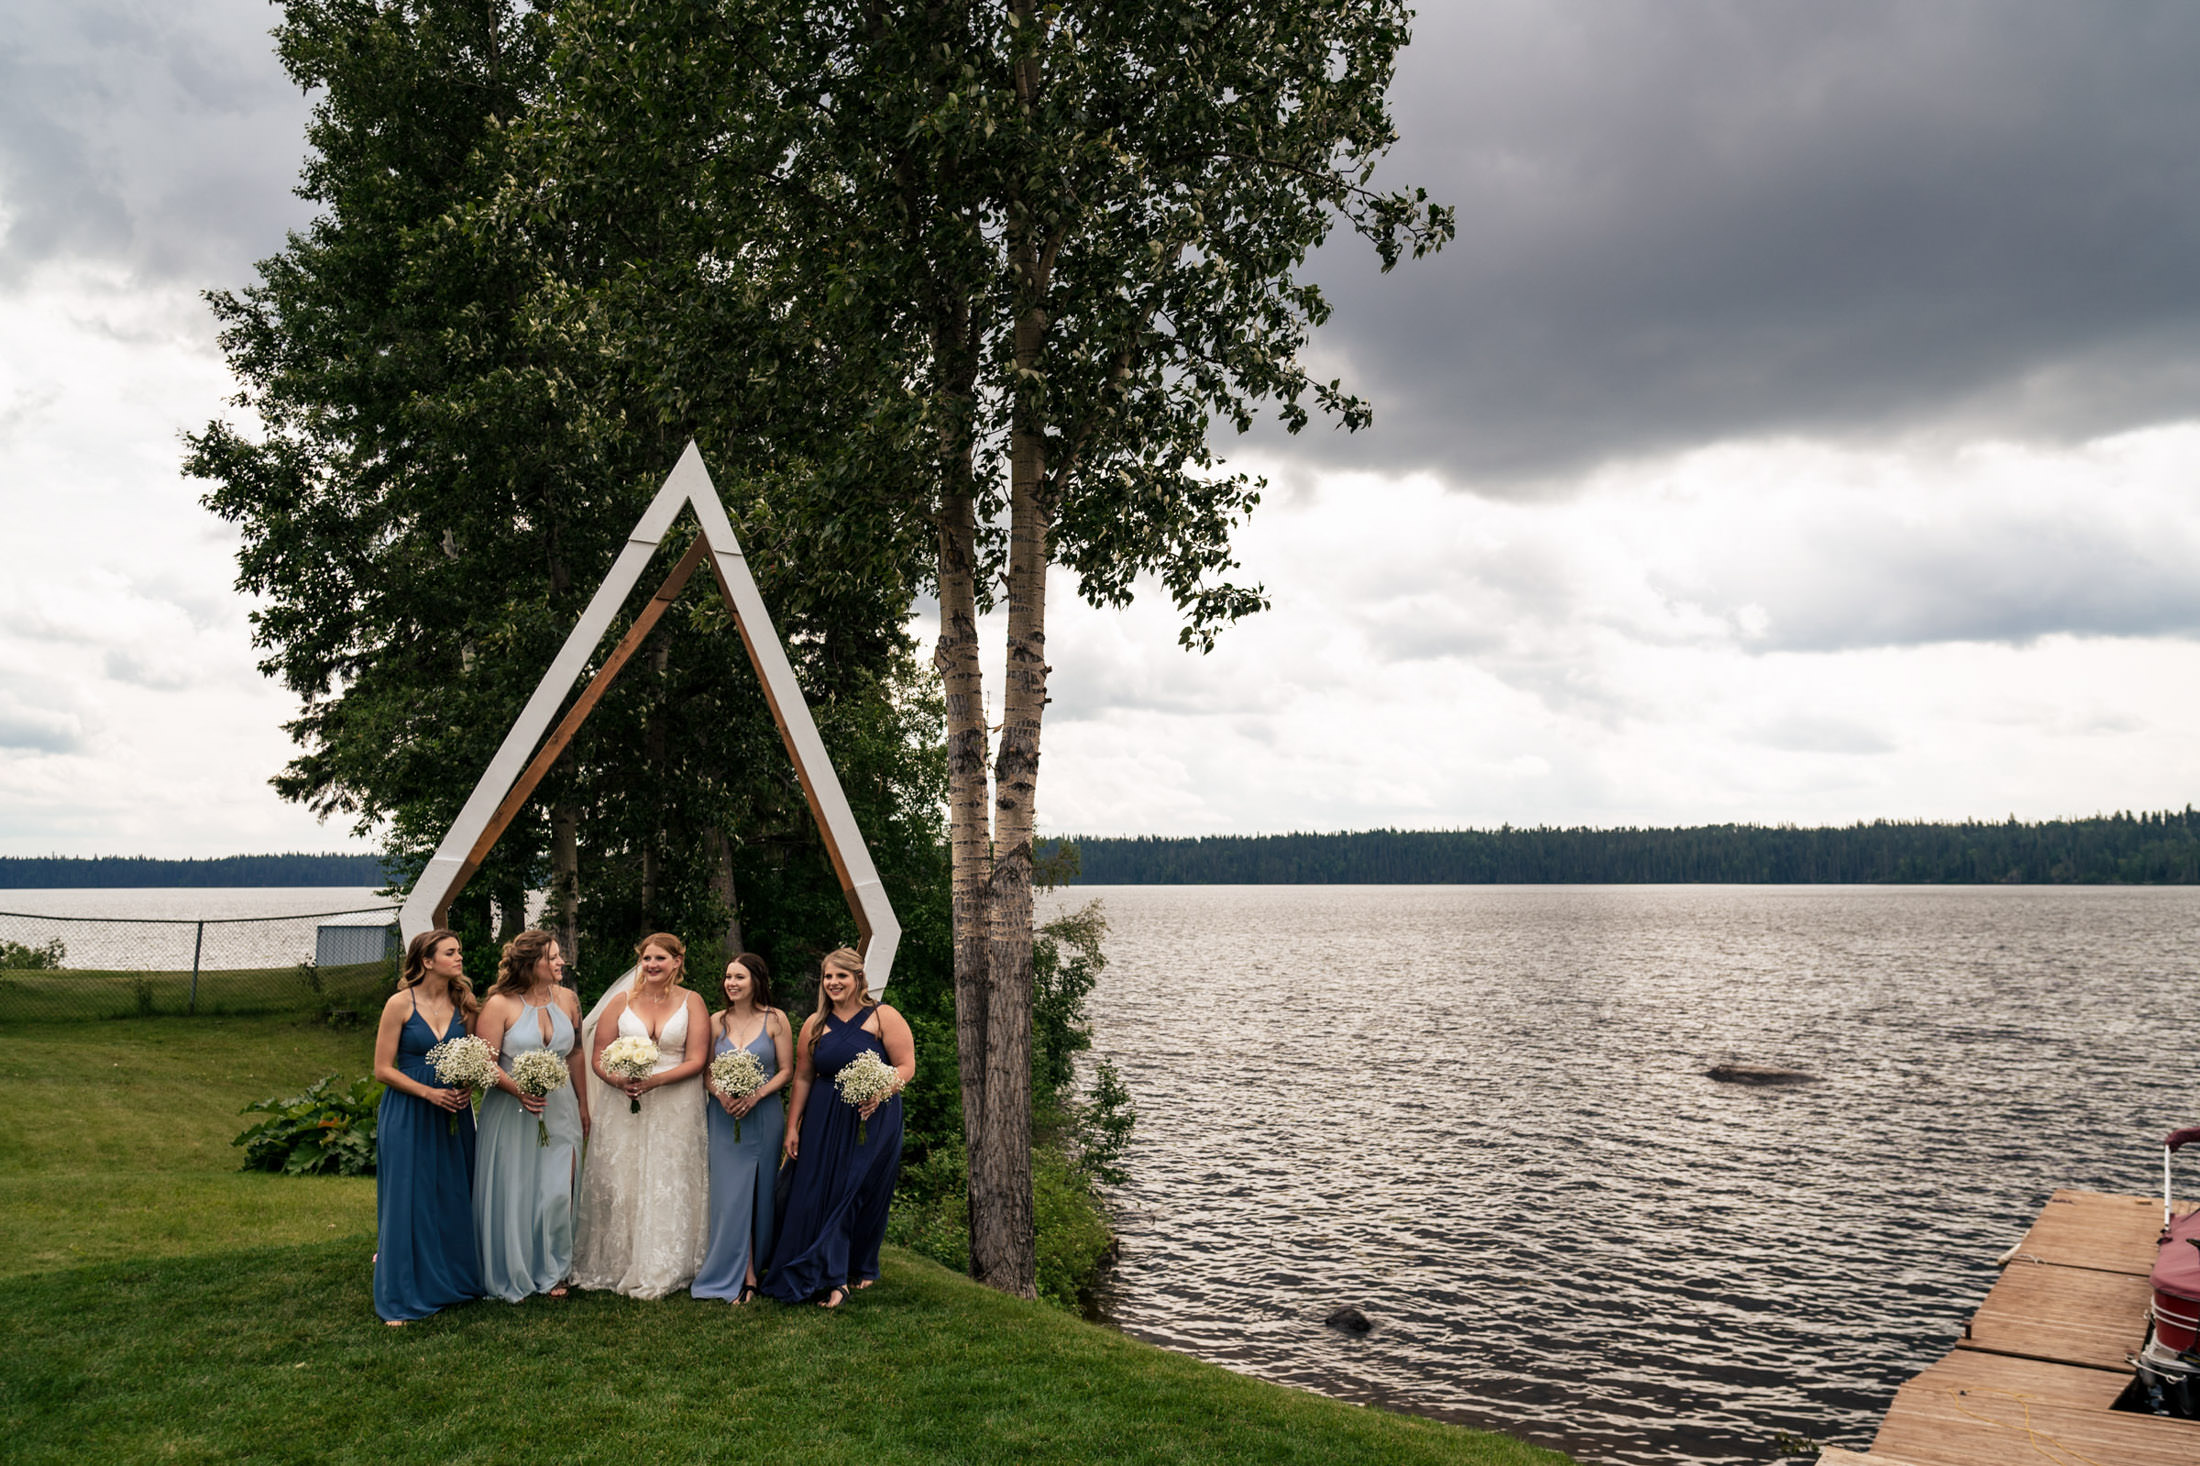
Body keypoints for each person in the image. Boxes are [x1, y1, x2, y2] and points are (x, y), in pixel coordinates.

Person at [762, 947, 914, 1308]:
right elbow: (802, 1077)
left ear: (858, 978)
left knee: (856, 1191)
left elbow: (906, 1066)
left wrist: (879, 1091)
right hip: (823, 1116)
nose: (833, 983)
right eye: (828, 977)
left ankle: (852, 1268)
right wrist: (792, 1127)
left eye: (841, 976)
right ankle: (827, 1268)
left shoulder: (883, 1016)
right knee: (817, 1193)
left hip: (871, 1115)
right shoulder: (815, 1023)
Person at [571, 932, 711, 1298]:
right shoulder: (620, 1002)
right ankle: (618, 1260)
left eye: (660, 959)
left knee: (670, 1176)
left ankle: (668, 1261)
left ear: (677, 962)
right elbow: (599, 1054)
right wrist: (619, 1080)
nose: (652, 965)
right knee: (624, 1176)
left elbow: (697, 1059)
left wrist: (656, 1081)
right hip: (624, 1101)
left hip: (676, 1103)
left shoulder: (693, 1002)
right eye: (647, 958)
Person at [372, 928, 484, 1324]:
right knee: (408, 1196)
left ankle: (454, 1281)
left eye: (459, 951)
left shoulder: (465, 1006)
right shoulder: (399, 1004)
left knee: (453, 1193)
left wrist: (466, 1085)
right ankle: (401, 1293)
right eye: (450, 952)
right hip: (409, 1112)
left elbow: (473, 1055)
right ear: (427, 960)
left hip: (453, 1111)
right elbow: (382, 1069)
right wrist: (427, 1093)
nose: (459, 958)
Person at [472, 929, 589, 1303]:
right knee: (517, 1186)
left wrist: (584, 1106)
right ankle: (513, 1267)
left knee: (558, 1189)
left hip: (561, 1107)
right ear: (531, 963)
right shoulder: (498, 1005)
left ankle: (555, 1268)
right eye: (552, 957)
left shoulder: (569, 999)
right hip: (511, 1109)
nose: (560, 963)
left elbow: (575, 1055)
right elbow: (485, 1064)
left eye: (559, 957)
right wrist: (519, 1090)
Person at [692, 952, 794, 1303]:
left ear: (756, 981)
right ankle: (736, 1272)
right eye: (728, 977)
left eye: (739, 978)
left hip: (763, 1117)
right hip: (722, 1118)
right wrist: (722, 1096)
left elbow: (786, 1070)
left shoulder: (775, 1019)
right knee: (729, 1196)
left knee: (758, 1193)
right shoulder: (715, 1020)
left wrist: (756, 1095)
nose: (731, 984)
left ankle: (752, 1272)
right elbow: (704, 1070)